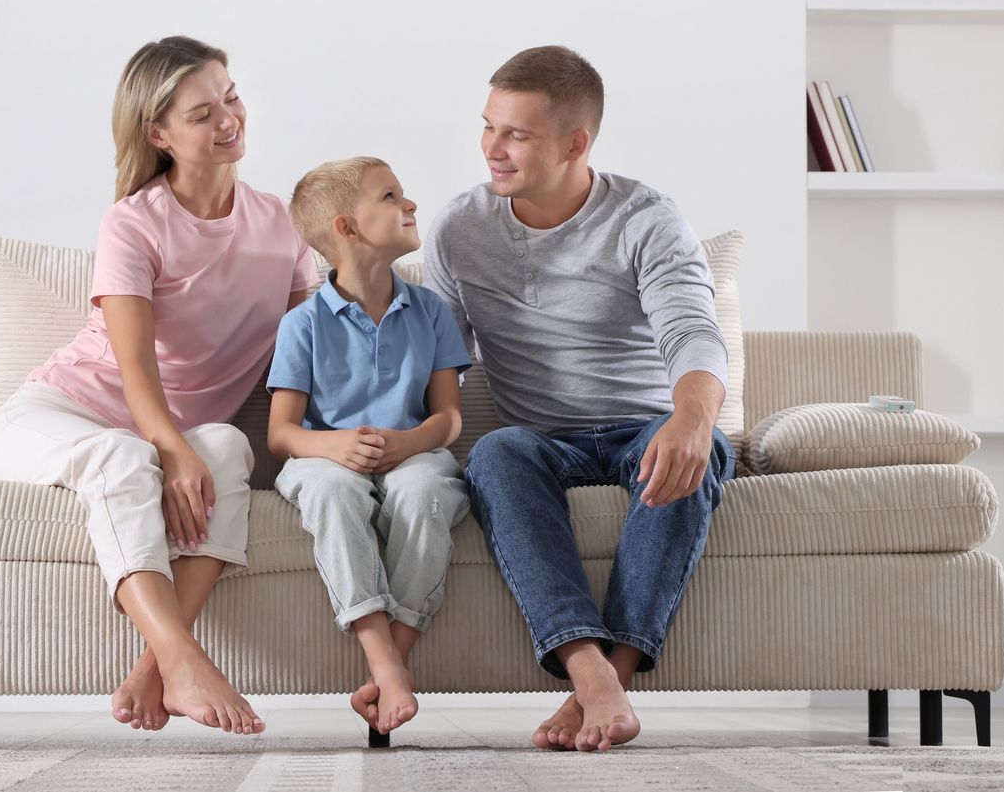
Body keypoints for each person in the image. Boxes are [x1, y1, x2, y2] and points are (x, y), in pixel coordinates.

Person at [0, 36, 313, 736]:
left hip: (165, 430)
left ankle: (156, 665)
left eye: (231, 97)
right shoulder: (133, 223)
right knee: (126, 455)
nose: (229, 119)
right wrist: (169, 448)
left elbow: (311, 344)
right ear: (157, 132)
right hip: (59, 415)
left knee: (223, 444)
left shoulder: (281, 223)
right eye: (202, 114)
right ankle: (185, 658)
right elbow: (134, 369)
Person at [422, 45, 736, 753]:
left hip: (642, 425)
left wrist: (690, 418)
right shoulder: (460, 227)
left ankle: (603, 682)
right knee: (497, 453)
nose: (491, 150)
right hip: (539, 438)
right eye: (488, 126)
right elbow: (441, 362)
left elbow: (693, 331)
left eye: (516, 135)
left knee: (698, 446)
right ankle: (588, 666)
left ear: (575, 143)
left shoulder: (646, 217)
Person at [266, 157, 471, 737]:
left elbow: (448, 418)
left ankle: (390, 666)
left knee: (426, 488)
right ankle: (385, 661)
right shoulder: (302, 324)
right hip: (327, 462)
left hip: (415, 453)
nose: (409, 205)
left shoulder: (430, 310)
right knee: (331, 491)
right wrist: (331, 446)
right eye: (390, 196)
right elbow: (282, 433)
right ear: (346, 229)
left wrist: (408, 442)